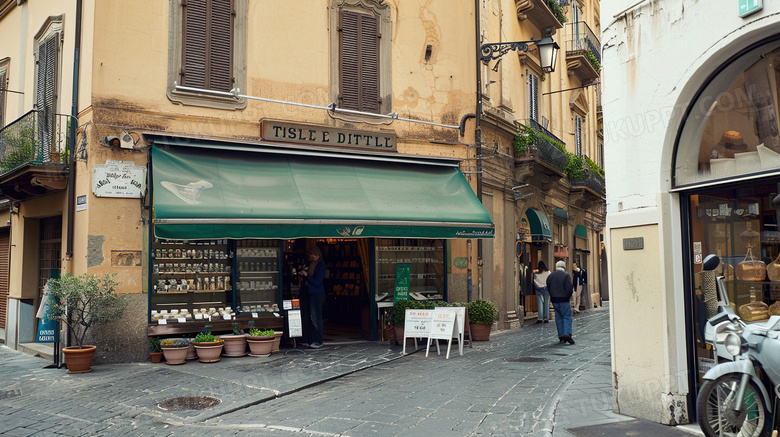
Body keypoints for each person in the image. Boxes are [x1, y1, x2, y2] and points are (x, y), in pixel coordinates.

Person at [300, 246, 326, 348]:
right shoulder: (311, 264)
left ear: (315, 254)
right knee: (311, 317)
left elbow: (317, 282)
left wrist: (307, 276)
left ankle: (318, 340)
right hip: (310, 293)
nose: (309, 257)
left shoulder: (321, 265)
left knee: (316, 317)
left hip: (317, 294)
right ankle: (310, 339)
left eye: (310, 255)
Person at [547, 260, 574, 345]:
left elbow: (548, 287)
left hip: (554, 299)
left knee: (558, 318)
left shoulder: (550, 276)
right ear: (564, 266)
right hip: (564, 299)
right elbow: (569, 288)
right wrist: (568, 296)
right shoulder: (566, 276)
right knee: (566, 317)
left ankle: (561, 336)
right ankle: (567, 334)